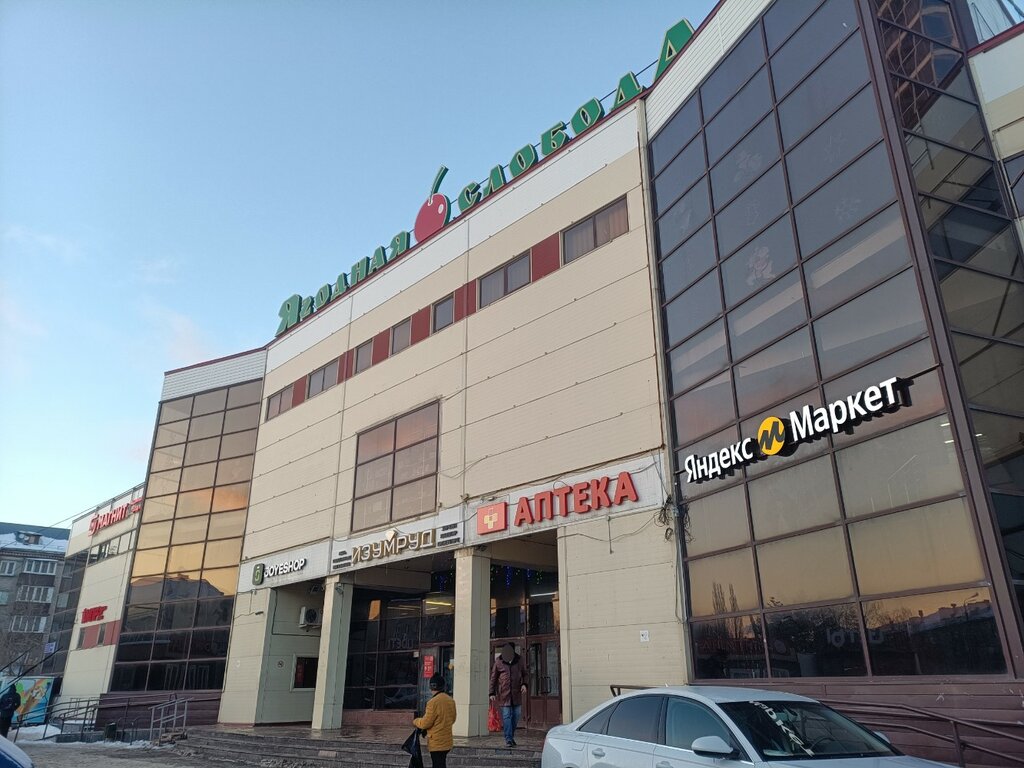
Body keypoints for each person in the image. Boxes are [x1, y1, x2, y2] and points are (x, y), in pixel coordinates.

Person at [412, 673, 456, 768]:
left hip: (437, 742)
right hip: (447, 741)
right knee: (441, 764)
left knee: (437, 764)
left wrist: (415, 721)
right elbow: (453, 719)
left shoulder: (432, 702)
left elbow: (425, 723)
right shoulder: (450, 700)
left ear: (431, 687)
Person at [489, 642, 528, 747]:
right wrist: (491, 692)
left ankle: (510, 736)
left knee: (516, 715)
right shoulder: (499, 661)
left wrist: (524, 684)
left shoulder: (519, 660)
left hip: (516, 694)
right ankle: (508, 739)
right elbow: (493, 678)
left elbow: (525, 674)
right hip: (504, 694)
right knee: (506, 716)